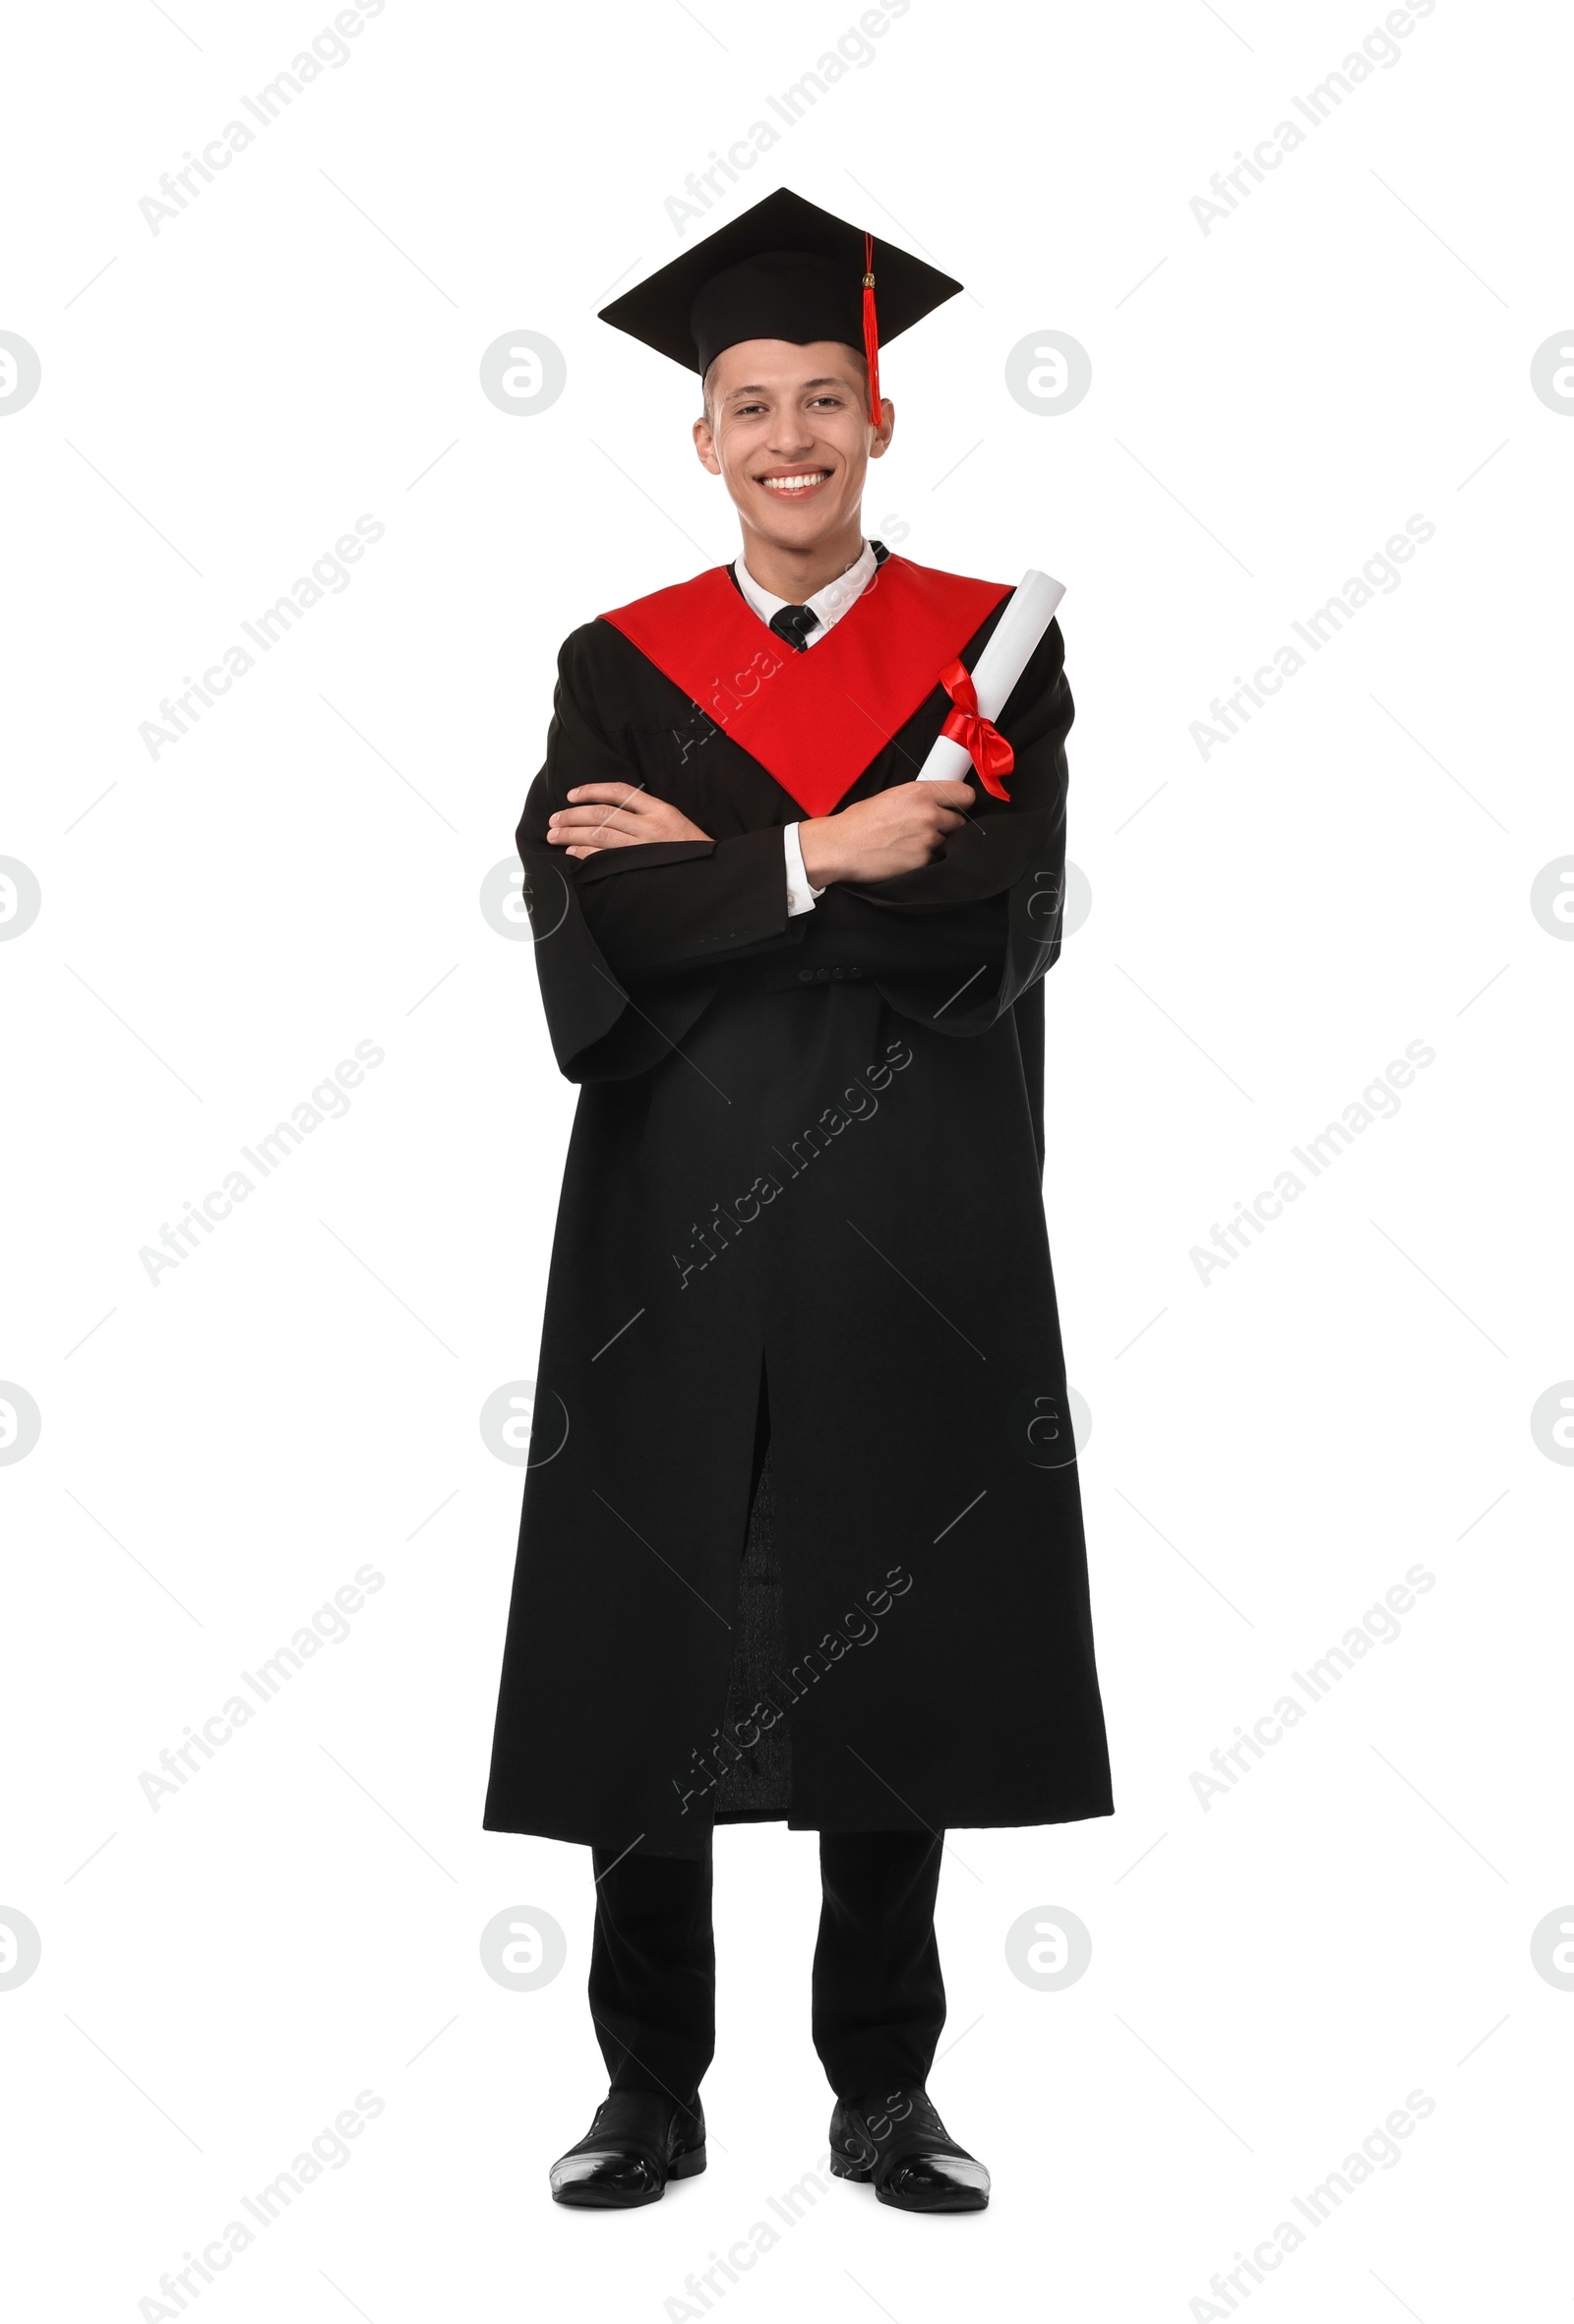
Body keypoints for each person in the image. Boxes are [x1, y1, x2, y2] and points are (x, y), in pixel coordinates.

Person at [483, 186, 1113, 2214]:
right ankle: (646, 2094)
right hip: (667, 1206)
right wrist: (832, 849)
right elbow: (591, 924)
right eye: (748, 404)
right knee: (654, 1630)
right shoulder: (617, 660)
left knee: (888, 1635)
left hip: (904, 1213)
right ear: (701, 437)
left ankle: (882, 2092)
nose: (787, 439)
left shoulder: (986, 659)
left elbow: (990, 922)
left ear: (876, 423)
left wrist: (738, 875)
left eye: (822, 400)